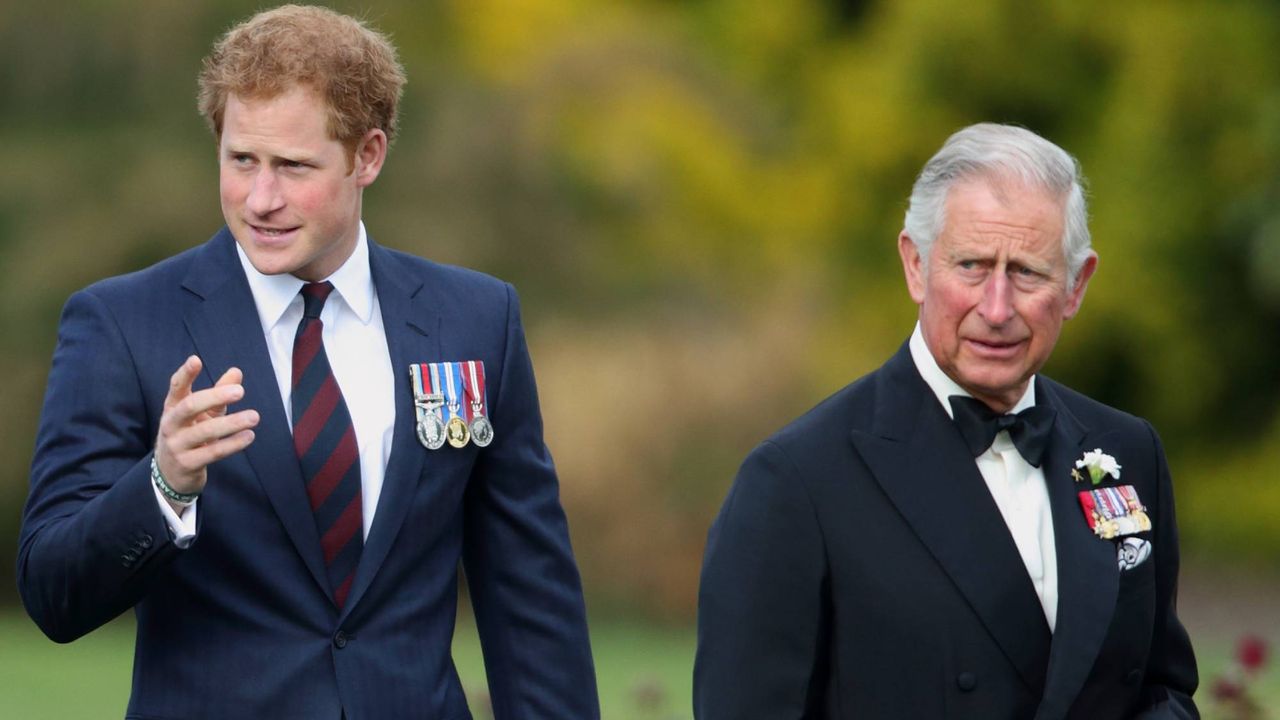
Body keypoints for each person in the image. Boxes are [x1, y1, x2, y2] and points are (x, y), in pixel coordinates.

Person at [18, 5, 599, 718]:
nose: (261, 199)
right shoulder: (123, 323)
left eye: (293, 167)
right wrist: (163, 485)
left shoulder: (474, 321)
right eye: (241, 161)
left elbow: (530, 598)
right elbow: (53, 594)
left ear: (369, 156)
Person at [694, 123, 1199, 719]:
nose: (996, 308)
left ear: (1076, 285)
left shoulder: (1128, 451)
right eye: (972, 266)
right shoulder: (797, 481)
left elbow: (1163, 692)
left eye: (1027, 274)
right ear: (915, 265)